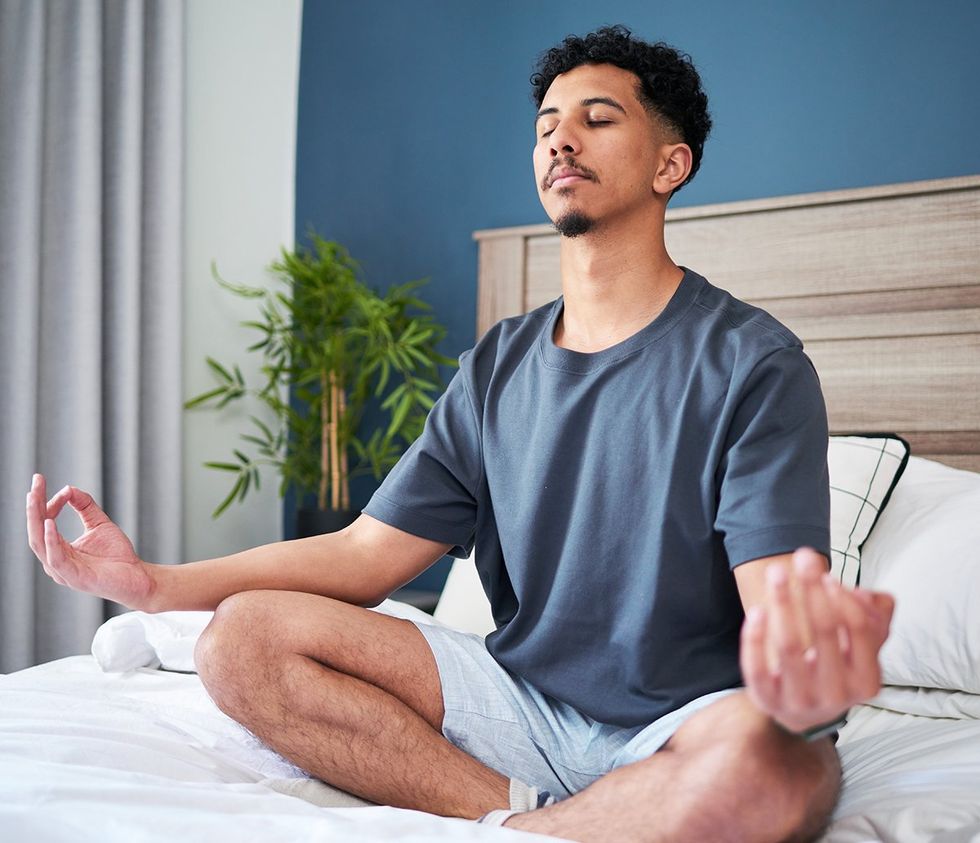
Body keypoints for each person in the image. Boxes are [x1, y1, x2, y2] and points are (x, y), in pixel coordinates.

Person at [26, 25, 893, 843]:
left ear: (673, 163)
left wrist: (804, 681)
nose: (561, 141)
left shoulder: (752, 362)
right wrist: (153, 584)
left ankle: (569, 821)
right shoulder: (498, 366)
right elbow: (365, 556)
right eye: (547, 125)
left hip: (681, 720)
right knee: (240, 639)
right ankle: (521, 820)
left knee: (780, 769)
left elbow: (779, 602)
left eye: (598, 119)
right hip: (520, 703)